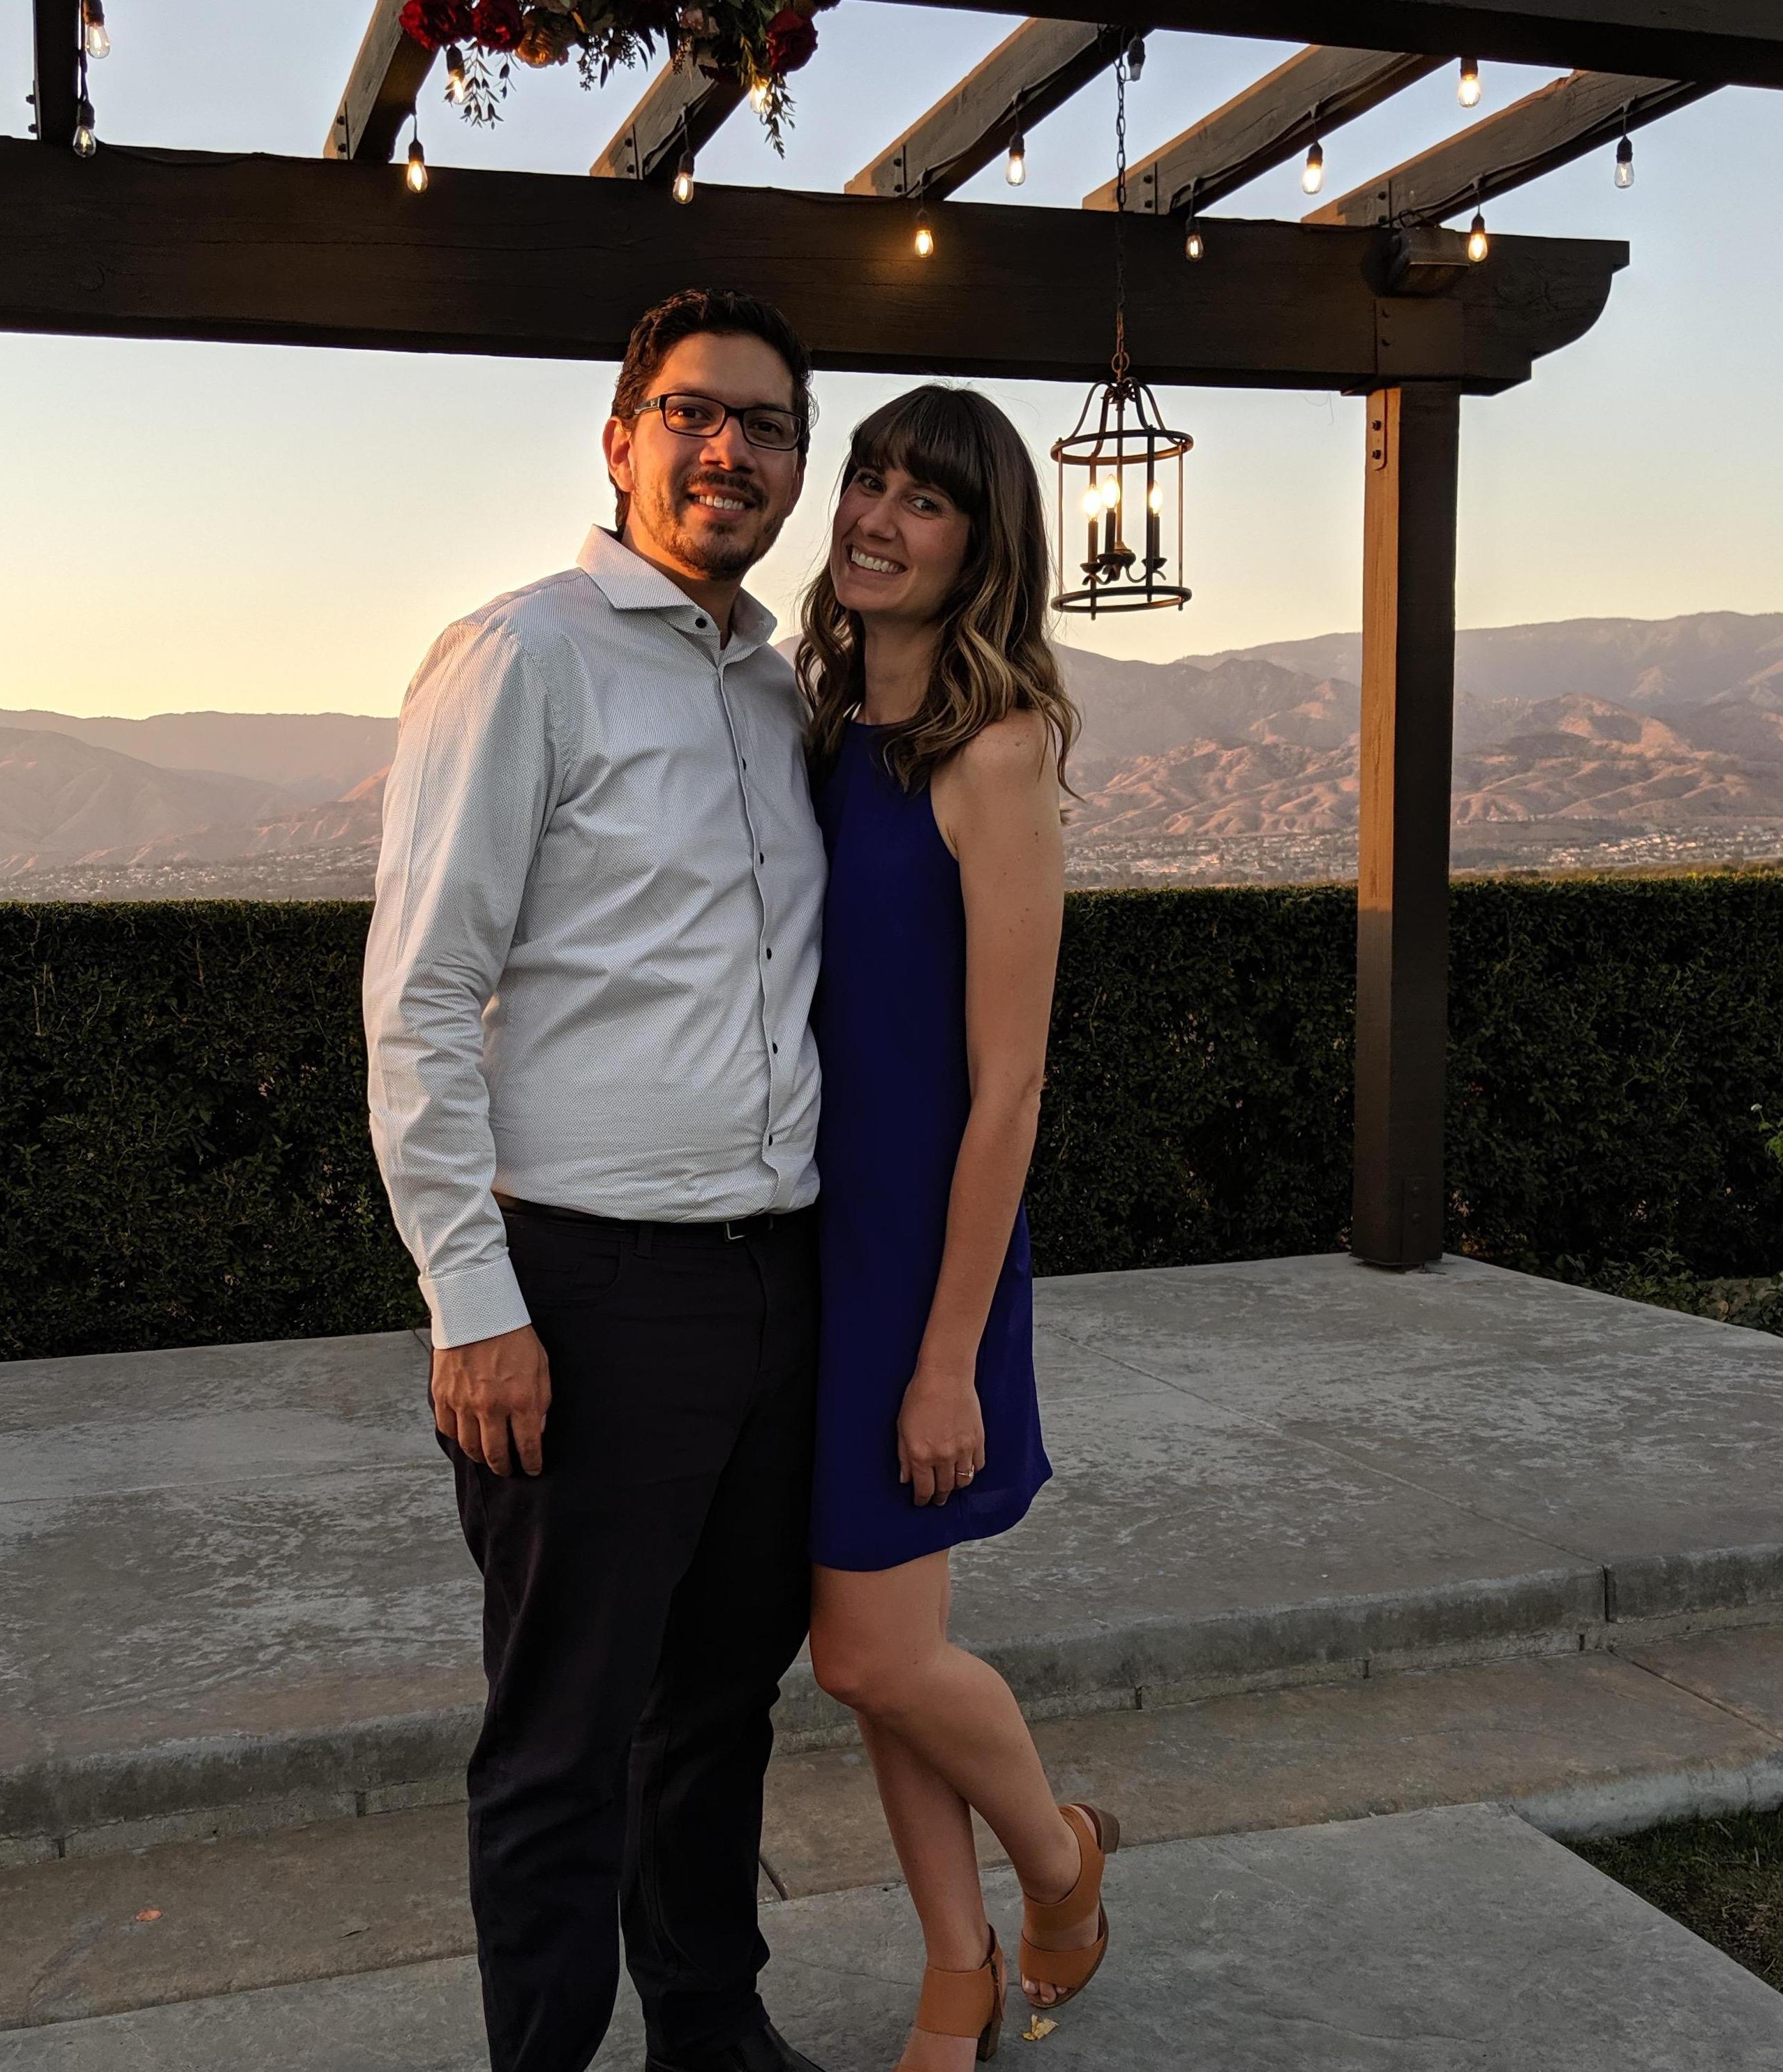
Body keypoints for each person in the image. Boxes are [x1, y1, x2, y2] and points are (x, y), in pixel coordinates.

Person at [363, 288, 833, 2072]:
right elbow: (420, 997)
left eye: (769, 425)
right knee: (564, 1733)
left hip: (774, 1281)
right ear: (623, 437)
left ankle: (712, 2034)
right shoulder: (522, 657)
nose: (732, 450)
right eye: (696, 412)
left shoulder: (780, 689)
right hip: (586, 1290)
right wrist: (471, 1304)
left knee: (719, 1706)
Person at [798, 386, 1117, 2070]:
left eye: (925, 500)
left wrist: (946, 1359)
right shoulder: (818, 728)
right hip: (802, 1250)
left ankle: (1059, 1862)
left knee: (867, 1652)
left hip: (921, 1272)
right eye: (869, 479)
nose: (877, 515)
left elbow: (1011, 1089)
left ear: (983, 550)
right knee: (877, 1652)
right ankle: (956, 1963)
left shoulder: (994, 755)